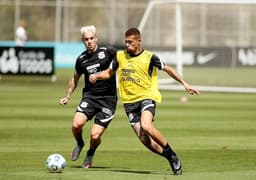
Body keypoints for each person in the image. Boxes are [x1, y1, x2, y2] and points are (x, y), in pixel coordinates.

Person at [89, 27, 200, 175]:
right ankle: (168, 156)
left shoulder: (149, 57)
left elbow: (168, 69)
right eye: (125, 42)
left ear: (139, 42)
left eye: (130, 42)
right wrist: (97, 76)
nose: (127, 45)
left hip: (147, 97)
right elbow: (109, 73)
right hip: (129, 103)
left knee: (147, 126)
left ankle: (171, 153)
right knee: (144, 140)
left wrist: (184, 83)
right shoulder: (120, 56)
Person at [59, 25, 117, 168]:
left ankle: (90, 152)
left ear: (96, 38)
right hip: (90, 97)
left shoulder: (108, 51)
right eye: (86, 39)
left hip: (108, 100)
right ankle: (79, 143)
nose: (89, 41)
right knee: (76, 124)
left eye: (91, 38)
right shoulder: (81, 59)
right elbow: (75, 78)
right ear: (82, 41)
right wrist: (68, 96)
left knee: (95, 136)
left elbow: (125, 57)